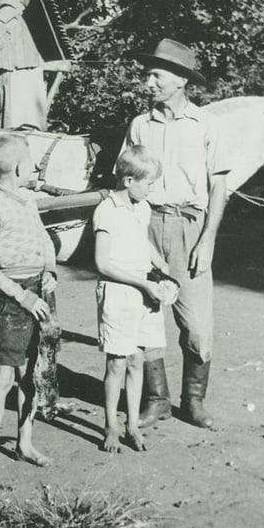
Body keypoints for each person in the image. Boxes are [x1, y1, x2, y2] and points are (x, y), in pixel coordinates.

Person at [121, 39, 232, 429]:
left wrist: (208, 239)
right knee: (145, 316)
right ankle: (157, 399)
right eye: (147, 74)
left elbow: (219, 187)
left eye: (156, 75)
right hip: (146, 225)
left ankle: (194, 401)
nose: (147, 82)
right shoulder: (139, 124)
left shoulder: (207, 125)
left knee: (197, 325)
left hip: (190, 228)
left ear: (181, 80)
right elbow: (127, 179)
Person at [0, 134, 57, 489]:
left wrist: (50, 271)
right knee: (3, 378)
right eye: (31, 160)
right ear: (18, 166)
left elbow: (43, 239)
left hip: (39, 292)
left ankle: (24, 443)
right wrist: (22, 297)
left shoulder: (28, 200)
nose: (35, 165)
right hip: (12, 301)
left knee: (32, 374)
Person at [93, 145, 175, 453]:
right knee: (117, 363)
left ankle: (131, 425)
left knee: (137, 359)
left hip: (145, 292)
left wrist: (159, 264)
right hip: (119, 292)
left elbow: (142, 242)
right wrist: (142, 284)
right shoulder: (107, 210)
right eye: (148, 183)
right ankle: (110, 427)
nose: (152, 189)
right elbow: (102, 263)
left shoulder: (142, 208)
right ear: (129, 181)